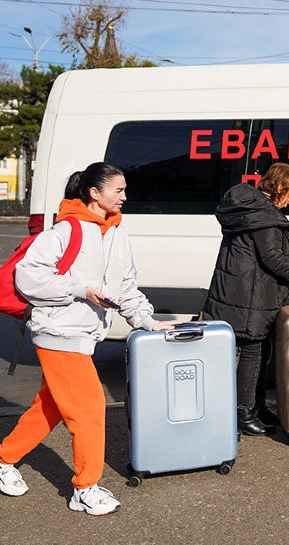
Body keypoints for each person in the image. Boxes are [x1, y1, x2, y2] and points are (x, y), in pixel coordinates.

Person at [0, 162, 180, 515]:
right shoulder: (65, 231)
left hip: (82, 334)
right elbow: (28, 277)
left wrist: (147, 321)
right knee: (89, 408)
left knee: (49, 407)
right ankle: (85, 488)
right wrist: (80, 290)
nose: (125, 196)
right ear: (95, 193)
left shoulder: (116, 233)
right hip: (57, 332)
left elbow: (126, 287)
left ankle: (4, 458)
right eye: (119, 190)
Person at [201, 162, 289, 437]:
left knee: (259, 350)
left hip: (240, 290)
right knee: (252, 351)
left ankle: (256, 406)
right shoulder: (264, 218)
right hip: (249, 295)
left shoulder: (249, 211)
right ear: (280, 187)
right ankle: (243, 412)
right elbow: (274, 260)